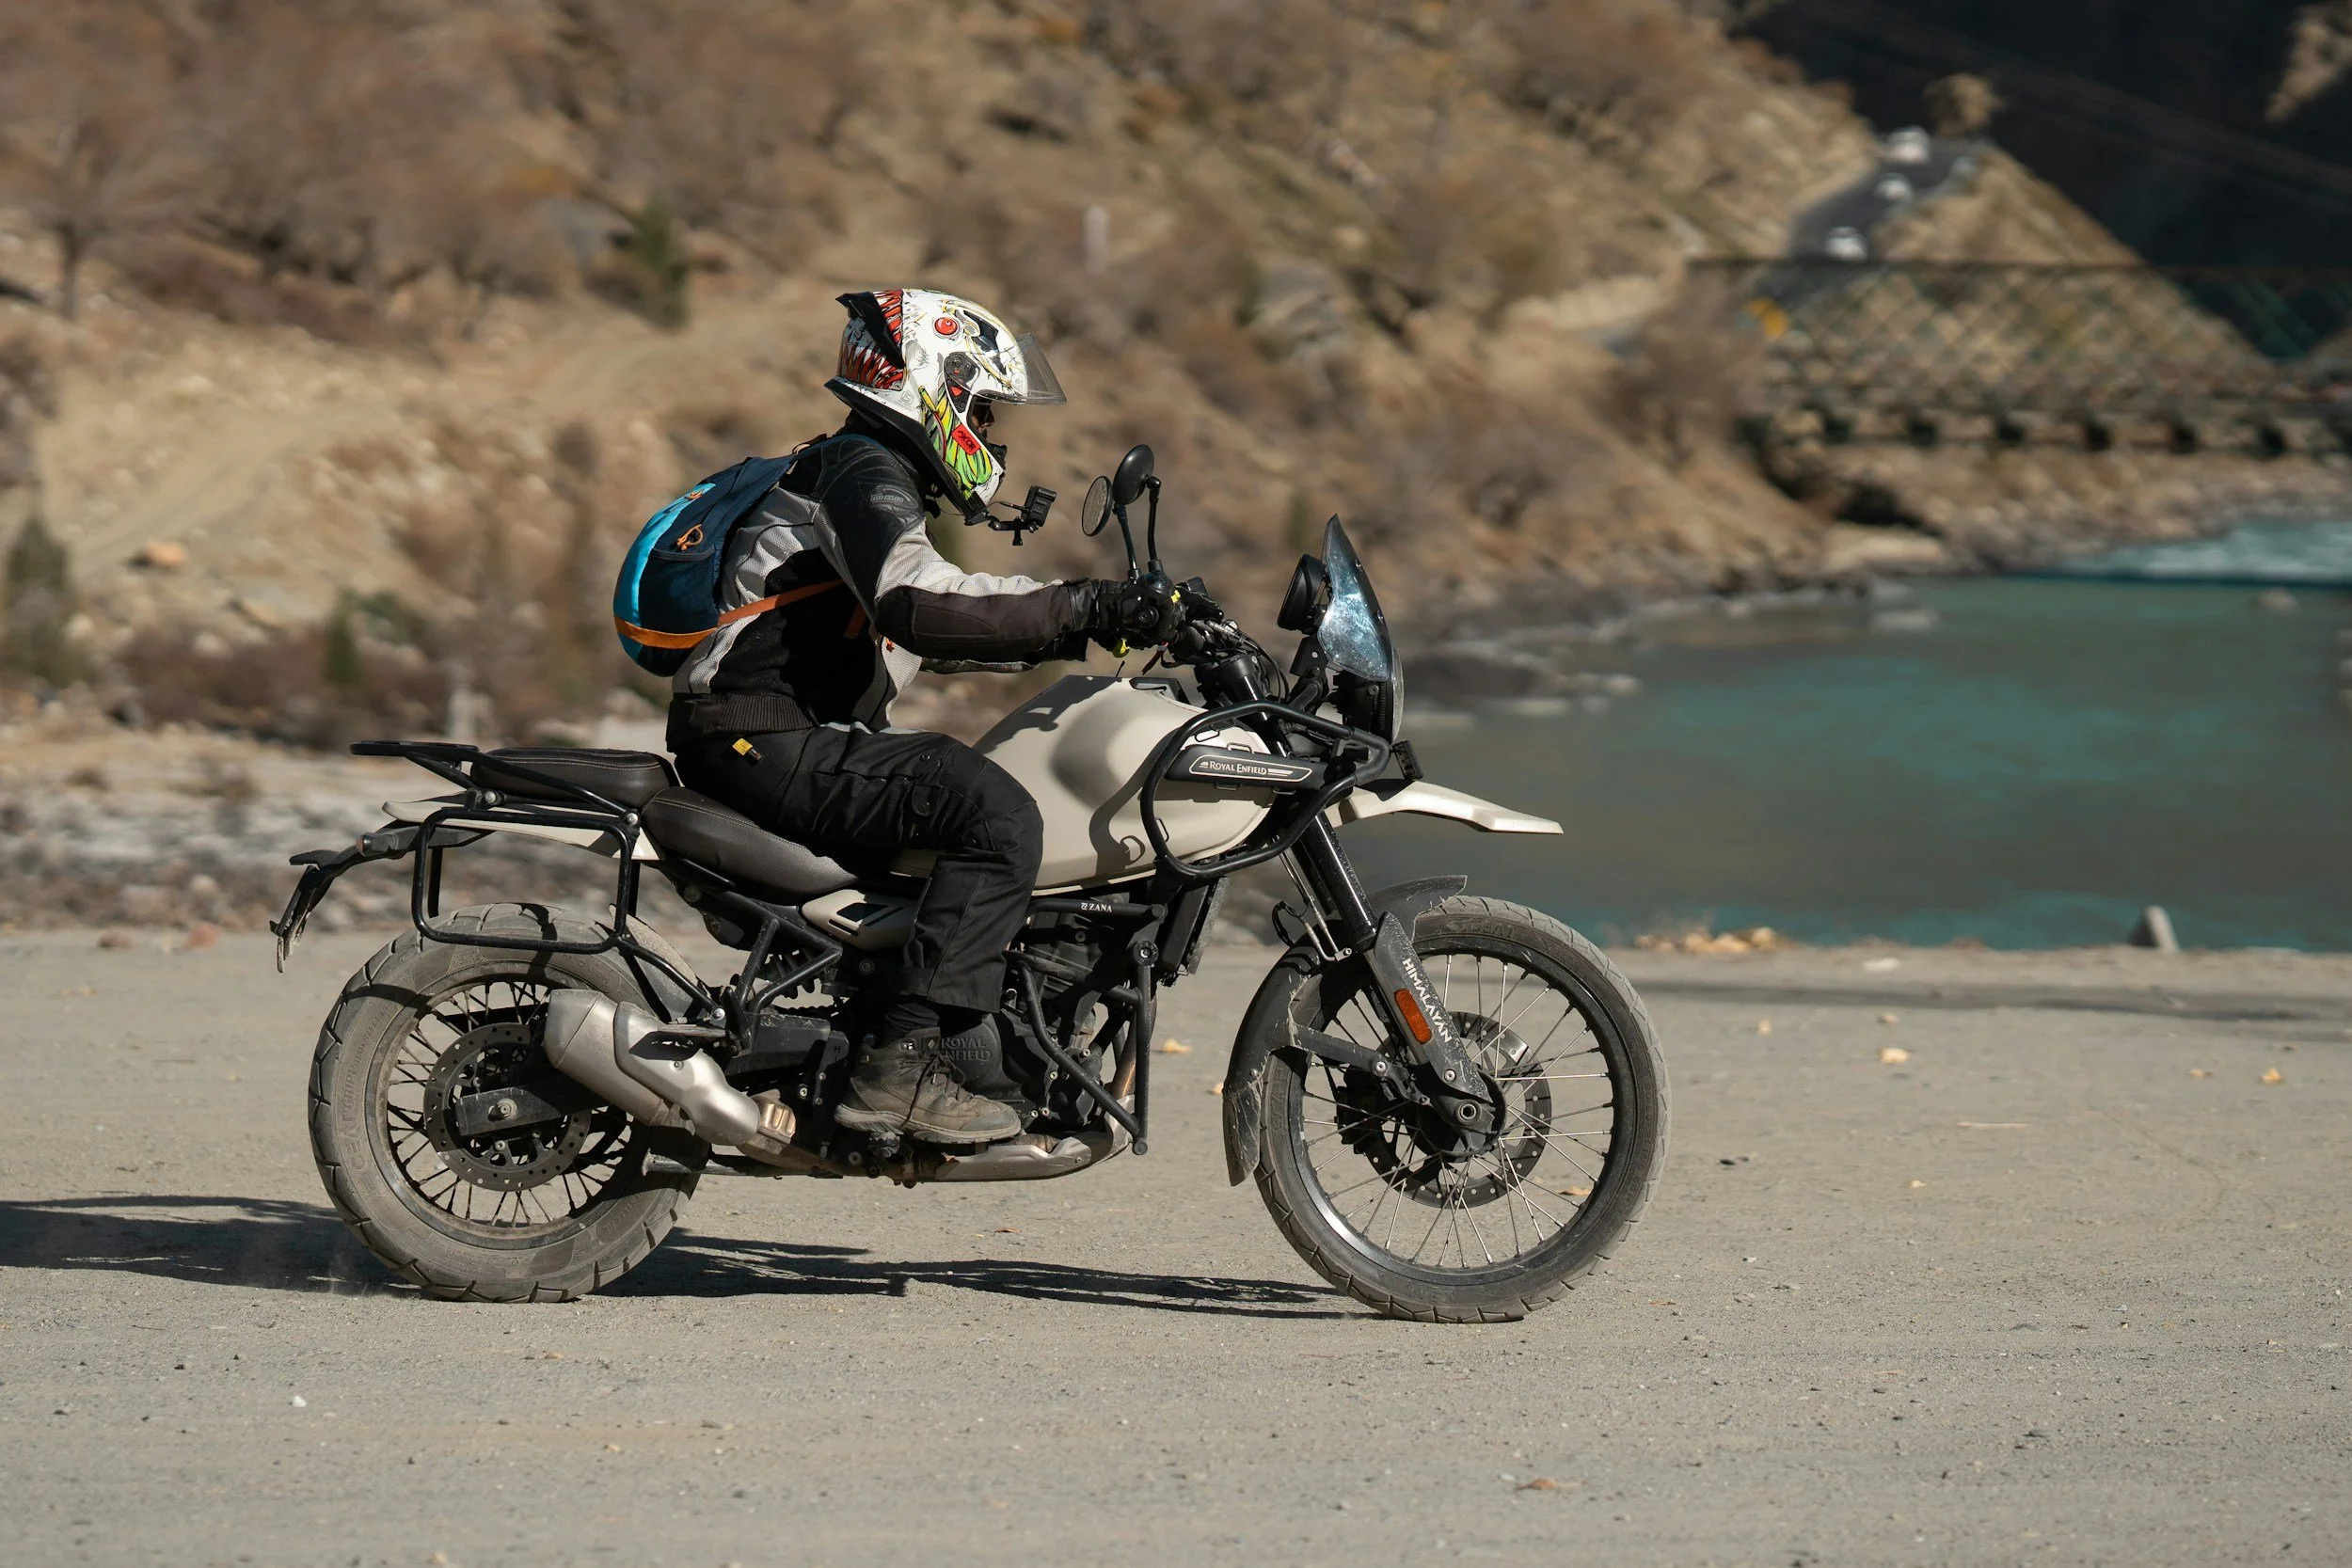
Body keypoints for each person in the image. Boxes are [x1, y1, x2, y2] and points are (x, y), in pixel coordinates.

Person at [665, 288, 1177, 1145]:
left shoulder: (854, 471)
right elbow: (920, 605)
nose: (989, 432)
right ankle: (899, 1067)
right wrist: (1086, 604)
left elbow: (919, 637)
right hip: (762, 736)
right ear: (932, 390)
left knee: (972, 799)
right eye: (981, 407)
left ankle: (950, 1035)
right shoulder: (861, 471)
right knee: (994, 811)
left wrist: (1082, 628)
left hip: (771, 734)